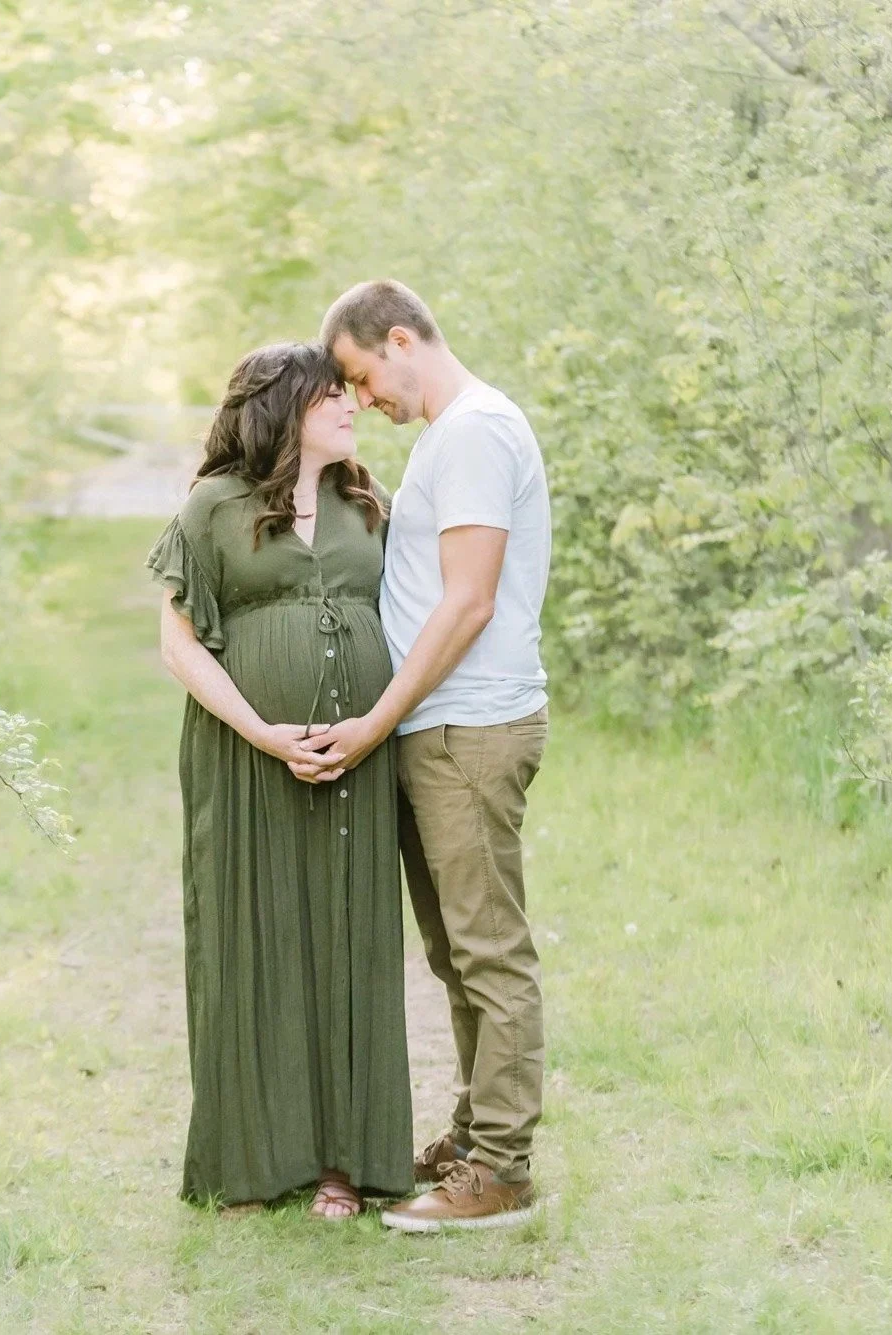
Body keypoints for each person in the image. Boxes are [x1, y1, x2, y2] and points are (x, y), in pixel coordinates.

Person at [303, 280, 552, 1232]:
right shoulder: (449, 440)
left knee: (489, 952)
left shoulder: (478, 430)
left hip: (468, 729)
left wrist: (376, 720)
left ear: (401, 339)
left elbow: (469, 600)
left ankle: (504, 1170)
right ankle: (474, 1137)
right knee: (455, 955)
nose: (365, 400)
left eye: (364, 377)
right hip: (435, 730)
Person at [147, 341, 412, 1220]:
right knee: (250, 939)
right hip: (245, 755)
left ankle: (345, 1161)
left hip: (360, 761)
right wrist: (262, 731)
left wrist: (377, 724)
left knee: (348, 939)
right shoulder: (212, 507)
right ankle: (252, 1162)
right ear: (283, 407)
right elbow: (179, 646)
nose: (351, 406)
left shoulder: (366, 502)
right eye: (332, 395)